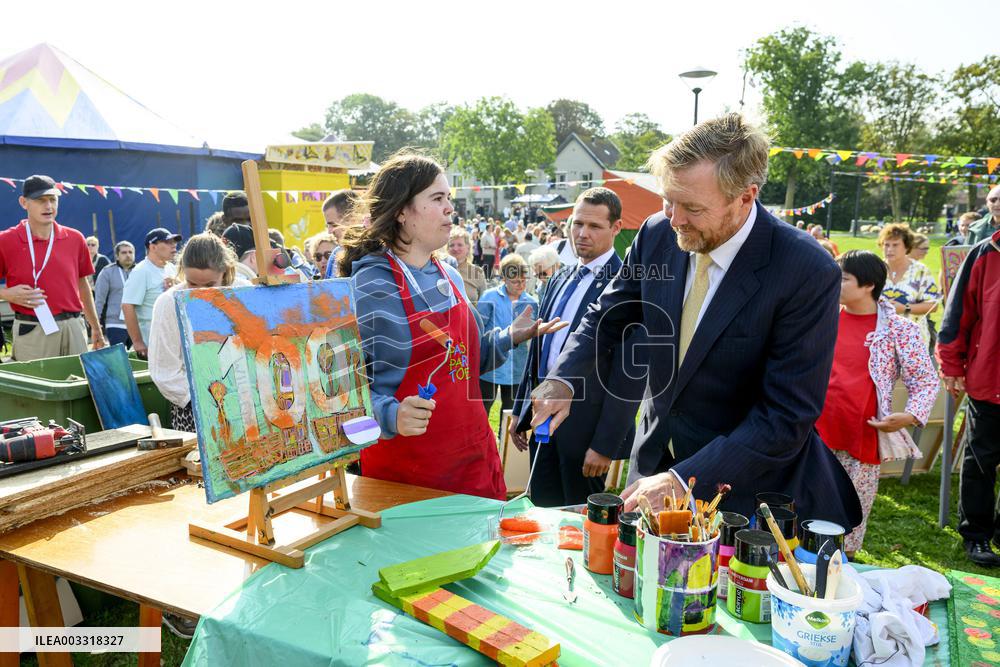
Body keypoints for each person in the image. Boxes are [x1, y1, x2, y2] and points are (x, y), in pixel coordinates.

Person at [529, 113, 862, 528]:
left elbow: (785, 416)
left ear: (745, 197)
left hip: (739, 493)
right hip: (651, 466)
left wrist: (683, 480)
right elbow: (607, 316)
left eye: (693, 208)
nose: (674, 219)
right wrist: (563, 379)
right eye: (669, 200)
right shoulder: (655, 235)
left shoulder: (805, 271)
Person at [339, 151, 565, 499]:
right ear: (401, 210)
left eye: (449, 198)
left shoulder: (449, 273)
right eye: (437, 198)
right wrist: (390, 415)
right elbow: (342, 394)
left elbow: (465, 360)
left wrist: (509, 337)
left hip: (472, 461)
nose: (450, 208)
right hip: (410, 476)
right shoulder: (372, 284)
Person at [511, 187, 643, 506]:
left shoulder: (629, 285)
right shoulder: (560, 277)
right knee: (540, 510)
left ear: (616, 228)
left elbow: (630, 375)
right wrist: (521, 410)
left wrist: (606, 444)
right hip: (543, 420)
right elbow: (541, 351)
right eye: (577, 224)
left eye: (594, 226)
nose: (582, 234)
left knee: (579, 522)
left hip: (587, 432)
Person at [815, 251, 938, 556]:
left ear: (868, 285)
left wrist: (909, 415)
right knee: (808, 507)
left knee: (850, 516)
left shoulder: (899, 330)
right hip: (813, 433)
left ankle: (845, 569)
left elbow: (925, 380)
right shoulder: (821, 317)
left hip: (863, 436)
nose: (835, 283)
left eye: (844, 278)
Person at [937, 225, 1000, 567]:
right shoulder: (985, 253)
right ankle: (976, 535)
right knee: (981, 461)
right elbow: (957, 315)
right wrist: (952, 365)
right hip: (990, 379)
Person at [149, 233, 249, 432]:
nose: (200, 292)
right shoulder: (169, 303)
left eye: (210, 285)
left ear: (225, 272)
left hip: (245, 407)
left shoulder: (244, 293)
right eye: (192, 284)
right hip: (194, 410)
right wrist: (204, 401)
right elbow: (164, 371)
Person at [0, 175, 106, 360]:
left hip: (74, 326)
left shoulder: (75, 238)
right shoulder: (5, 240)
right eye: (40, 200)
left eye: (52, 199)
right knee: (38, 386)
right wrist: (6, 294)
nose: (48, 206)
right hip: (33, 329)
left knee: (79, 385)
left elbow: (83, 286)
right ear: (24, 202)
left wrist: (96, 328)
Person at [478, 255, 538, 421]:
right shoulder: (490, 297)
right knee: (482, 411)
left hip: (516, 370)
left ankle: (504, 445)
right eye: (515, 281)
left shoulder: (531, 302)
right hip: (490, 367)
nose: (521, 285)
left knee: (510, 414)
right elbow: (479, 328)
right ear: (504, 279)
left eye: (524, 281)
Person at [121, 228, 179, 359]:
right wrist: (137, 342)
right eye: (168, 241)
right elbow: (127, 306)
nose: (174, 245)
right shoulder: (141, 271)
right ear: (153, 247)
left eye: (174, 241)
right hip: (151, 341)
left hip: (171, 339)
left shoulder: (171, 268)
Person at [879, 223, 940, 344]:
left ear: (907, 247)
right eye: (886, 245)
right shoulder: (875, 269)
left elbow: (933, 305)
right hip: (879, 339)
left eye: (895, 245)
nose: (889, 249)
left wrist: (905, 308)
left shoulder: (921, 271)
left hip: (913, 341)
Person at [94, 241, 135, 348]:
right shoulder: (107, 272)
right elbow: (99, 300)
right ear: (117, 256)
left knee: (140, 361)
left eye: (130, 252)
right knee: (118, 359)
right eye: (124, 252)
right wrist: (96, 325)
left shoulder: (140, 271)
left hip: (138, 324)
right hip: (115, 324)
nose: (128, 255)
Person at [323, 190, 360, 278]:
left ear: (352, 219)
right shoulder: (335, 255)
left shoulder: (375, 254)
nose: (329, 231)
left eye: (333, 225)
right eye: (328, 226)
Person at [448, 227, 486, 304]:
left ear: (468, 248)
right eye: (452, 245)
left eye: (460, 245)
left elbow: (484, 303)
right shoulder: (440, 269)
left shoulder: (477, 272)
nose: (455, 248)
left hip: (470, 315)